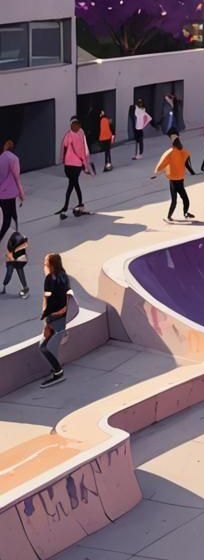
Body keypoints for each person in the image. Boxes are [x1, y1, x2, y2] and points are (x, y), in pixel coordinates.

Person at [39, 253, 72, 388]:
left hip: (53, 318)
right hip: (62, 317)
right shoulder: (65, 277)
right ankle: (56, 369)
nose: (44, 266)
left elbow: (48, 301)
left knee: (44, 347)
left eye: (45, 263)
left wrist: (46, 321)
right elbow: (67, 298)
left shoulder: (49, 279)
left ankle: (58, 372)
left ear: (51, 265)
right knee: (50, 345)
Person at [151, 135, 196, 222]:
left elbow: (162, 162)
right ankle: (185, 213)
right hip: (180, 179)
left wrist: (156, 172)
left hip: (173, 180)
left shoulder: (170, 152)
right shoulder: (181, 151)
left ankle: (168, 217)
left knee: (174, 200)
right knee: (185, 198)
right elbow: (187, 154)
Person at [58, 117, 93, 220]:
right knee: (74, 184)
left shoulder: (68, 135)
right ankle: (78, 205)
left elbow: (63, 148)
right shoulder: (78, 135)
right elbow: (82, 150)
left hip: (69, 165)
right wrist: (85, 164)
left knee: (73, 184)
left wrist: (63, 160)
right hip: (75, 165)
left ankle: (68, 207)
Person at [0, 140, 25, 246]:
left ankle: (16, 236)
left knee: (11, 215)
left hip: (2, 194)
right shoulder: (14, 159)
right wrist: (21, 194)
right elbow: (16, 177)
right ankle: (8, 238)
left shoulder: (1, 158)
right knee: (9, 218)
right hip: (9, 193)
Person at [1, 229, 29, 298]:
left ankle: (25, 287)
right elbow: (10, 251)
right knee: (9, 274)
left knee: (20, 271)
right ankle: (4, 285)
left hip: (19, 260)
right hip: (11, 260)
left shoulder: (22, 244)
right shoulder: (11, 245)